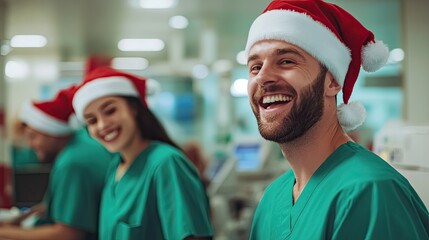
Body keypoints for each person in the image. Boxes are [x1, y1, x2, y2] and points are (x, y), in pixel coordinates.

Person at [244, 0, 429, 239]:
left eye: (286, 61)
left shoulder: (369, 192)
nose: (263, 77)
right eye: (255, 67)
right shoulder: (272, 199)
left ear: (333, 81)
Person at [71, 67, 213, 240]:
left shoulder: (166, 163)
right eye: (92, 120)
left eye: (110, 111)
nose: (102, 126)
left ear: (133, 108)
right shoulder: (115, 168)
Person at [0, 86, 112, 240]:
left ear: (52, 131)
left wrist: (5, 232)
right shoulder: (82, 144)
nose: (31, 145)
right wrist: (24, 217)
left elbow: (69, 234)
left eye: (33, 137)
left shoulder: (73, 163)